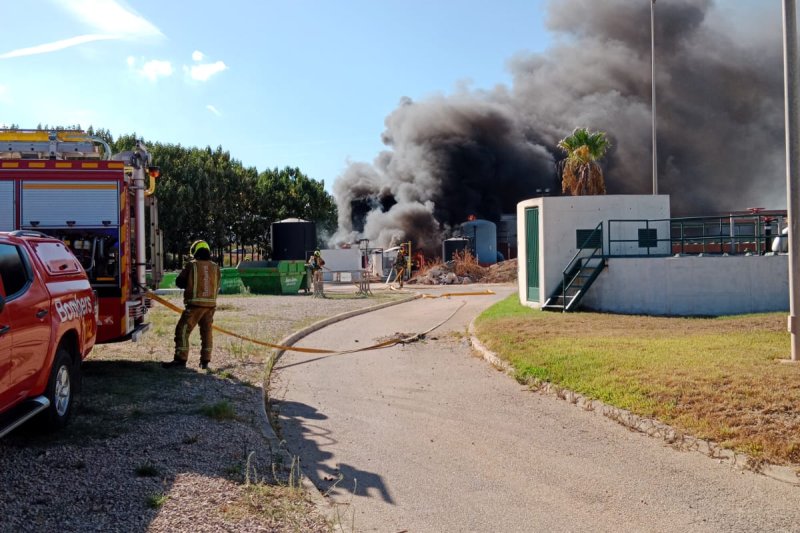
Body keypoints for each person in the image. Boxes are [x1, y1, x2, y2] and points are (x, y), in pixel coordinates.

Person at [163, 240, 221, 370]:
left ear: (195, 252)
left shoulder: (192, 265)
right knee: (207, 332)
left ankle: (180, 359)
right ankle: (205, 361)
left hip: (195, 305)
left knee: (182, 330)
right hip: (210, 305)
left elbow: (180, 282)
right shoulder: (215, 267)